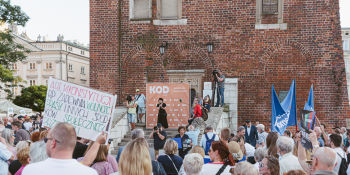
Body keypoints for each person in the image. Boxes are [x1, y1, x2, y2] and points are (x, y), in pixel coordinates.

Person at [22, 122, 98, 175]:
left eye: (46, 140)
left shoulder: (31, 170)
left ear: (53, 142)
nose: (45, 143)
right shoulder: (89, 173)